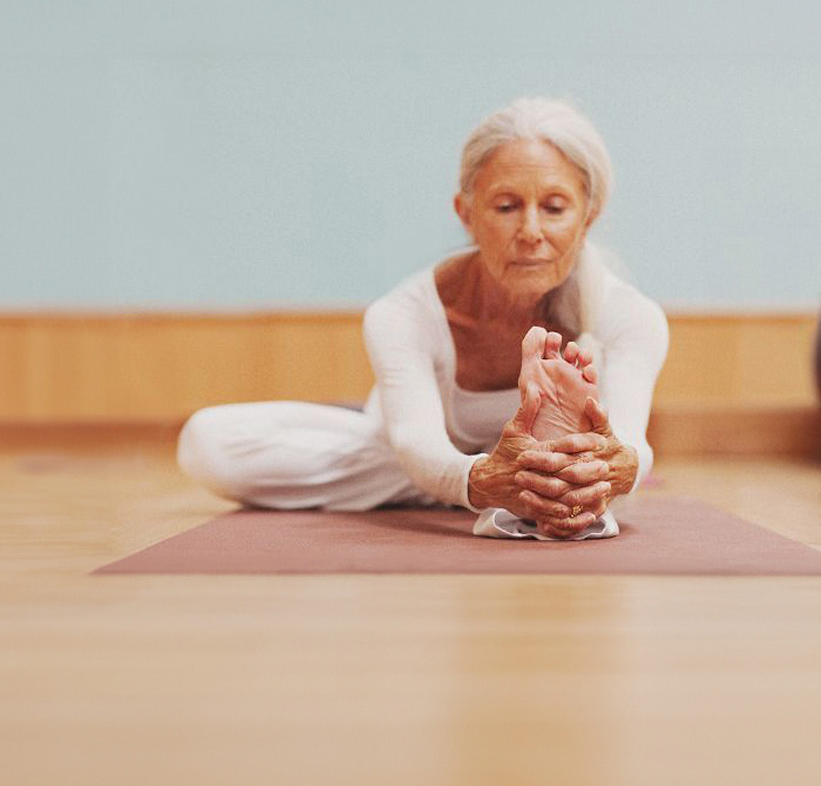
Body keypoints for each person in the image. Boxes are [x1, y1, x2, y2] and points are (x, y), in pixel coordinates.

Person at [176, 97, 669, 539]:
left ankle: (536, 478)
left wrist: (615, 470)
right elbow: (415, 443)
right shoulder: (401, 315)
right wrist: (479, 478)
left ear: (590, 216)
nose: (531, 231)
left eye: (556, 208)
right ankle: (505, 483)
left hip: (489, 467)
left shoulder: (632, 318)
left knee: (594, 467)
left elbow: (631, 448)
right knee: (208, 442)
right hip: (398, 454)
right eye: (506, 206)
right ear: (466, 213)